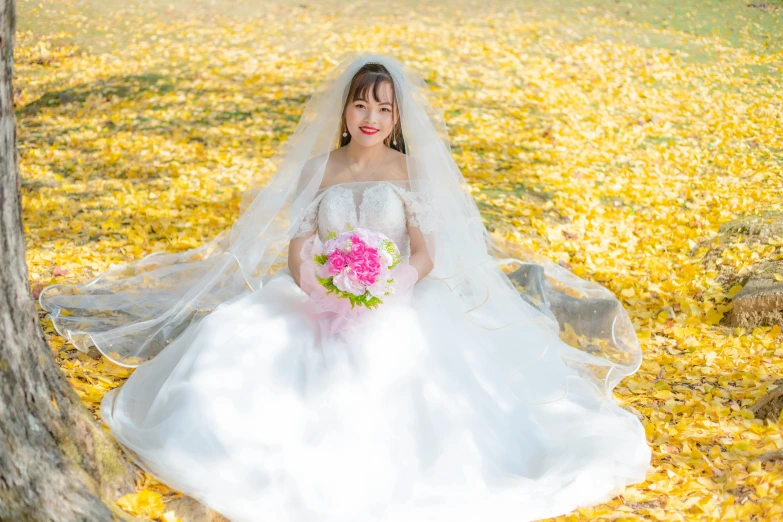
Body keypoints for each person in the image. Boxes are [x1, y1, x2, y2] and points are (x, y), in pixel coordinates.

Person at [39, 52, 651, 522]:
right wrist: (313, 282)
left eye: (385, 110)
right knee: (243, 344)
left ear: (397, 119)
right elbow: (299, 241)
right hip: (319, 295)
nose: (372, 119)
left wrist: (392, 285)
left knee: (392, 364)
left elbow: (426, 251)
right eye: (363, 106)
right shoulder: (320, 168)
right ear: (345, 109)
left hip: (398, 296)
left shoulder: (408, 171)